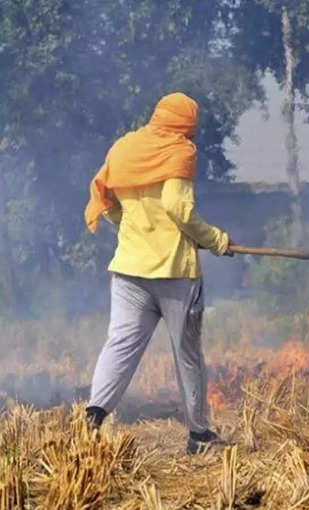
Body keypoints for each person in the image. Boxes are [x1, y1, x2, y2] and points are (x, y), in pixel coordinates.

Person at [83, 92, 230, 454]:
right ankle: (199, 435)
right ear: (184, 126)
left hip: (129, 269)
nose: (192, 137)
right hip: (175, 272)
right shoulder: (180, 151)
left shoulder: (124, 148)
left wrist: (133, 228)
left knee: (119, 345)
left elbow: (109, 204)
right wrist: (214, 239)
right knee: (187, 354)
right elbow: (178, 207)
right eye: (191, 129)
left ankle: (92, 416)